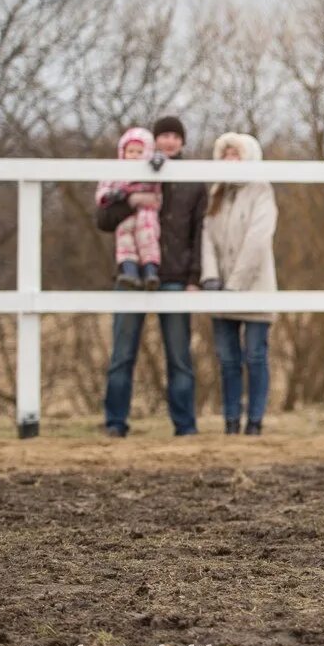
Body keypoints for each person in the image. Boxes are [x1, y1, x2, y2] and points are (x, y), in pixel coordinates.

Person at [96, 116, 207, 437]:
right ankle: (115, 422)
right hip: (130, 274)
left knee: (179, 356)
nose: (170, 141)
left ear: (183, 141)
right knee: (122, 354)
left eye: (175, 135)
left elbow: (199, 231)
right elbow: (103, 218)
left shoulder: (193, 180)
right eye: (164, 135)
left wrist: (194, 277)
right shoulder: (129, 171)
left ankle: (185, 426)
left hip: (174, 274)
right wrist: (132, 200)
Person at [200, 133, 278, 436]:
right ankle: (230, 422)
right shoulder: (216, 192)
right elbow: (206, 236)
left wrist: (235, 285)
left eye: (236, 153)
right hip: (220, 289)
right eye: (226, 153)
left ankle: (254, 422)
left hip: (255, 287)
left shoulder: (261, 190)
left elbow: (258, 240)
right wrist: (210, 278)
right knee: (227, 358)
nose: (230, 158)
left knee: (255, 356)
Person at [94, 127, 164, 289]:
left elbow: (158, 189)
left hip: (146, 216)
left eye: (139, 152)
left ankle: (150, 272)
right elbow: (103, 190)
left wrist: (158, 158)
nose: (134, 156)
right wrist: (112, 196)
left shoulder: (151, 171)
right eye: (130, 151)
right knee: (125, 240)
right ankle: (129, 271)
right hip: (125, 217)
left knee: (148, 239)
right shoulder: (116, 172)